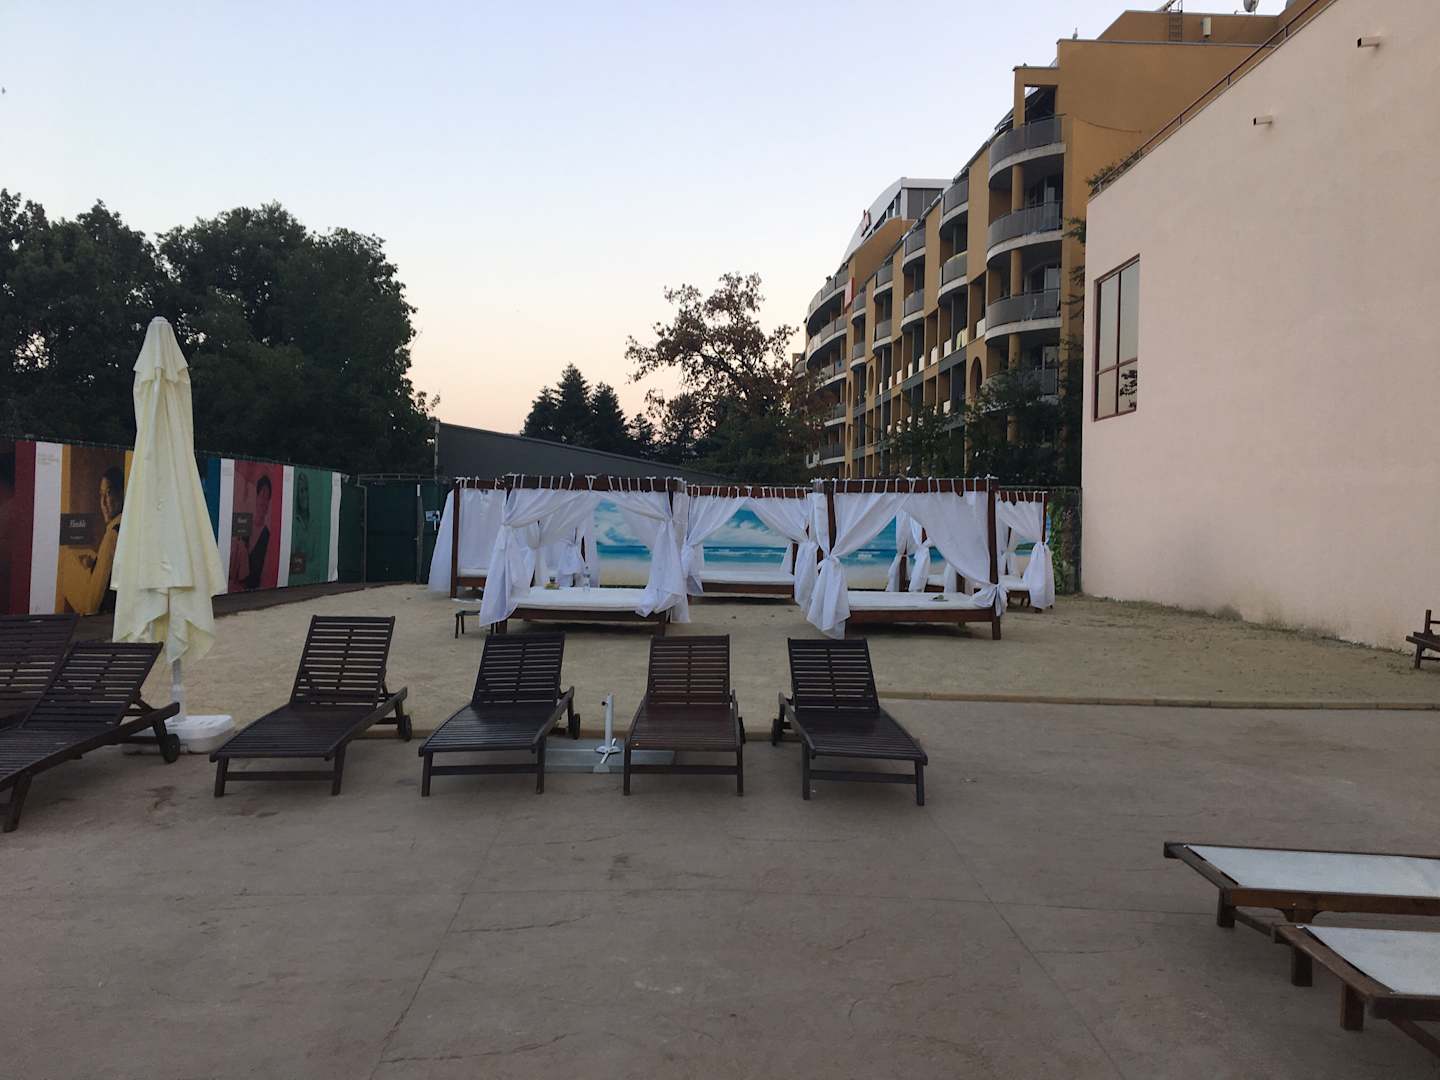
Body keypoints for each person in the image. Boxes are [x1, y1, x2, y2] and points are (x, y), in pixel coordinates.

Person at [59, 465, 124, 615]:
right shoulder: (123, 528)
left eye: (108, 493)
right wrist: (94, 563)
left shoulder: (113, 535)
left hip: (97, 613)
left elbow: (93, 602)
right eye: (101, 495)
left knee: (65, 560)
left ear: (121, 494)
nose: (103, 503)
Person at [230, 473, 273, 591]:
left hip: (254, 593)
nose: (264, 501)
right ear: (256, 497)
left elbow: (264, 576)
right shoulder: (244, 523)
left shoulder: (267, 536)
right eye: (262, 495)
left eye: (267, 497)